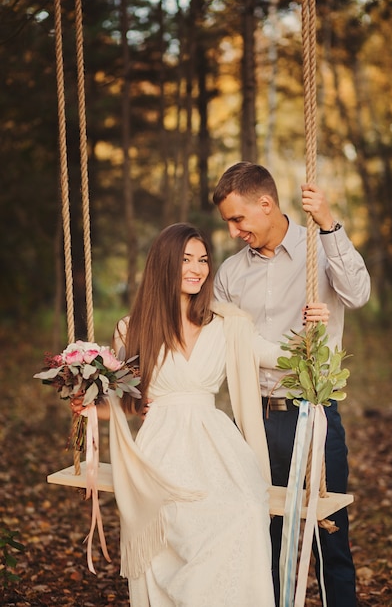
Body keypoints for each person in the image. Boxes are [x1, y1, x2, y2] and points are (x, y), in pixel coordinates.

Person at [71, 222, 329, 606]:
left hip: (215, 443)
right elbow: (127, 402)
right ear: (164, 265)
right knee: (183, 519)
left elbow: (278, 357)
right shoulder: (132, 329)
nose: (196, 268)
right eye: (186, 260)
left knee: (244, 510)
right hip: (162, 445)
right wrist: (92, 407)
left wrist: (312, 336)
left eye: (203, 260)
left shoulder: (227, 324)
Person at [212, 162, 371, 607]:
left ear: (266, 204)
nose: (232, 231)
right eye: (228, 221)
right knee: (266, 535)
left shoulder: (319, 247)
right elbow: (222, 345)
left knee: (331, 535)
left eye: (237, 219)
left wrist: (329, 224)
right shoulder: (228, 273)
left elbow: (358, 294)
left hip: (313, 412)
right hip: (255, 419)